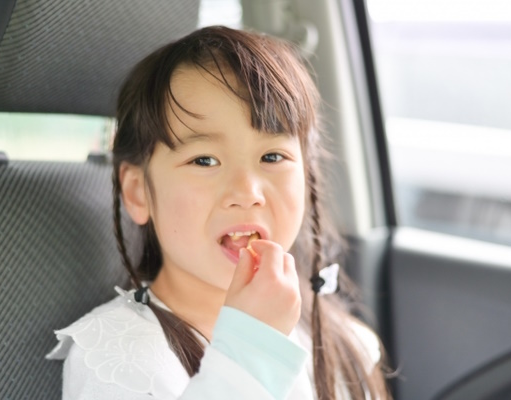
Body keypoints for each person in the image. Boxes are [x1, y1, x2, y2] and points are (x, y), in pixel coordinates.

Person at [47, 26, 390, 399]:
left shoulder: (339, 339)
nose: (247, 193)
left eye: (272, 156)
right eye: (204, 160)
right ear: (138, 191)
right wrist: (252, 347)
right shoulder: (115, 357)